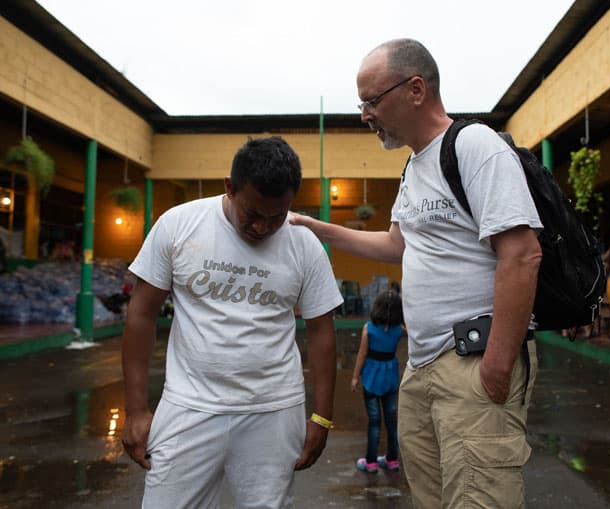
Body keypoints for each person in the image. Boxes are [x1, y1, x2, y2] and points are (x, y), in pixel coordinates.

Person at [291, 38, 542, 508]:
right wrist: (313, 225)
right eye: (360, 102)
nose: (365, 113)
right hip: (421, 367)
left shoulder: (473, 146)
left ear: (416, 89)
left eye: (371, 100)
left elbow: (522, 255)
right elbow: (395, 245)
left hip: (473, 360)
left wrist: (497, 366)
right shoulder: (413, 167)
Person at [121, 137, 343, 508]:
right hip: (189, 404)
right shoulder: (179, 225)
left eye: (277, 216)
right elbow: (141, 314)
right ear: (229, 186)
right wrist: (135, 409)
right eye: (253, 213)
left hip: (273, 410)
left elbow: (321, 332)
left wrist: (322, 417)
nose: (263, 227)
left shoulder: (304, 244)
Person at [350, 290, 404, 473]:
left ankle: (371, 462)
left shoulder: (369, 329)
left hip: (372, 377)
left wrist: (355, 377)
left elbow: (362, 354)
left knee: (374, 421)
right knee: (391, 420)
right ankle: (392, 459)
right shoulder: (398, 331)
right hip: (390, 377)